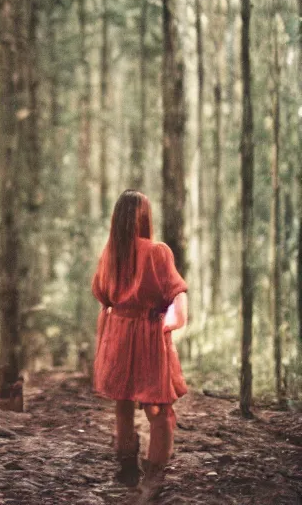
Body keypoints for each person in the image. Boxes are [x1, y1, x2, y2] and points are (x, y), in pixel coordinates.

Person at [92, 190, 188, 491]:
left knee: (123, 403)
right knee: (157, 410)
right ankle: (154, 478)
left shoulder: (109, 253)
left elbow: (103, 298)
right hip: (147, 333)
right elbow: (178, 300)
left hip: (117, 333)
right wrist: (165, 326)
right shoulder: (157, 251)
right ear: (144, 217)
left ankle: (127, 470)